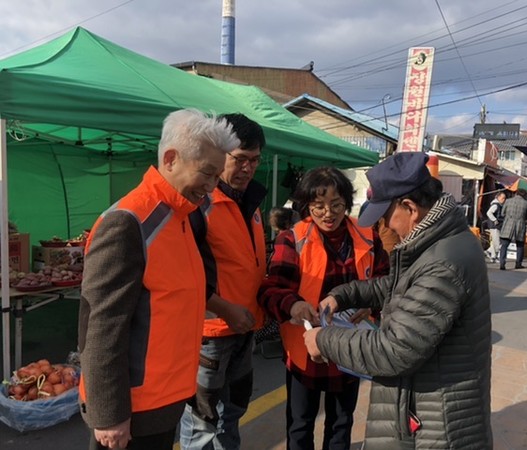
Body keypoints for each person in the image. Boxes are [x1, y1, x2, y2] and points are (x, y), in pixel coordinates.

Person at [303, 152, 493, 449]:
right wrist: (344, 295)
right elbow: (399, 286)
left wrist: (324, 340)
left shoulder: (442, 262)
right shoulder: (441, 242)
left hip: (433, 426)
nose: (386, 227)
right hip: (425, 406)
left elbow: (394, 349)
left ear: (410, 208)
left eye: (385, 216)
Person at [78, 109, 240, 450]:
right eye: (208, 173)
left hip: (164, 402)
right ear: (170, 159)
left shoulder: (179, 218)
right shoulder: (129, 223)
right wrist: (109, 415)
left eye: (217, 177)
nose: (212, 186)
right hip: (133, 413)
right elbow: (102, 327)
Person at [259, 166, 389, 450]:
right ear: (307, 205)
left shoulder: (367, 235)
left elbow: (385, 282)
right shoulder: (292, 239)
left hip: (351, 348)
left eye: (336, 205)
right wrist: (292, 305)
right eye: (319, 206)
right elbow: (271, 289)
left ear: (347, 203)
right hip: (306, 350)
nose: (328, 213)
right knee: (300, 424)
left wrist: (371, 307)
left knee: (342, 422)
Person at [179, 113, 268, 450]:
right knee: (203, 419)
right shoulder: (200, 204)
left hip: (243, 327)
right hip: (211, 333)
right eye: (240, 159)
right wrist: (222, 308)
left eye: (255, 160)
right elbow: (186, 273)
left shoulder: (251, 203)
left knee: (232, 410)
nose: (247, 168)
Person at [499, 189, 527, 270]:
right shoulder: (526, 204)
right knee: (520, 245)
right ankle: (518, 263)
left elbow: (502, 213)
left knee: (504, 245)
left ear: (516, 194)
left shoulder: (508, 201)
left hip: (508, 225)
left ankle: (502, 263)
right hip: (520, 226)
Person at [485, 191, 506, 262]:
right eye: (503, 198)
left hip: (496, 226)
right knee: (497, 242)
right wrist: (495, 220)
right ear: (498, 197)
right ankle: (493, 256)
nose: (504, 200)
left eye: (504, 198)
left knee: (496, 241)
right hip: (494, 226)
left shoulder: (498, 205)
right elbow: (488, 213)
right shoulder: (496, 205)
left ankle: (490, 253)